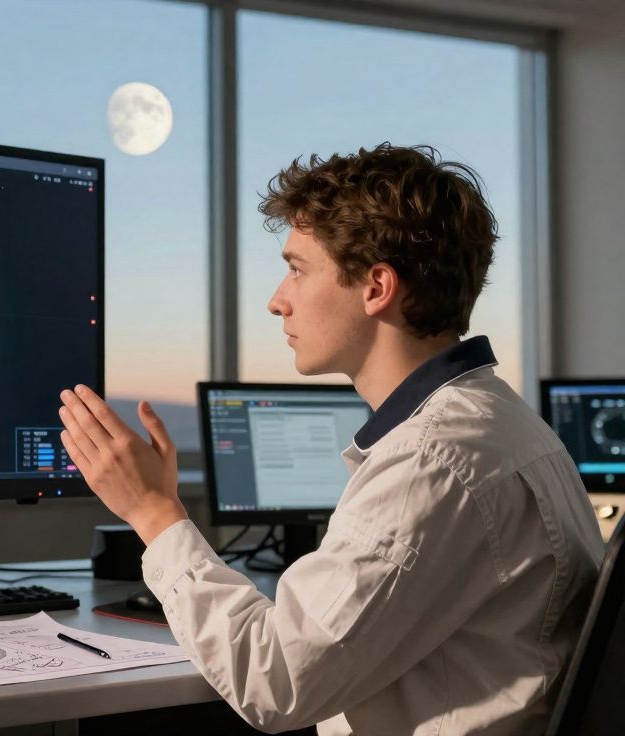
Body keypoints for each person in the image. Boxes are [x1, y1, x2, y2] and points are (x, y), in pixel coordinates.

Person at [58, 143, 604, 735]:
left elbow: (274, 682)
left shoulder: (433, 459)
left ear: (376, 288)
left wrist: (153, 513)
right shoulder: (499, 422)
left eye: (297, 268)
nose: (276, 300)